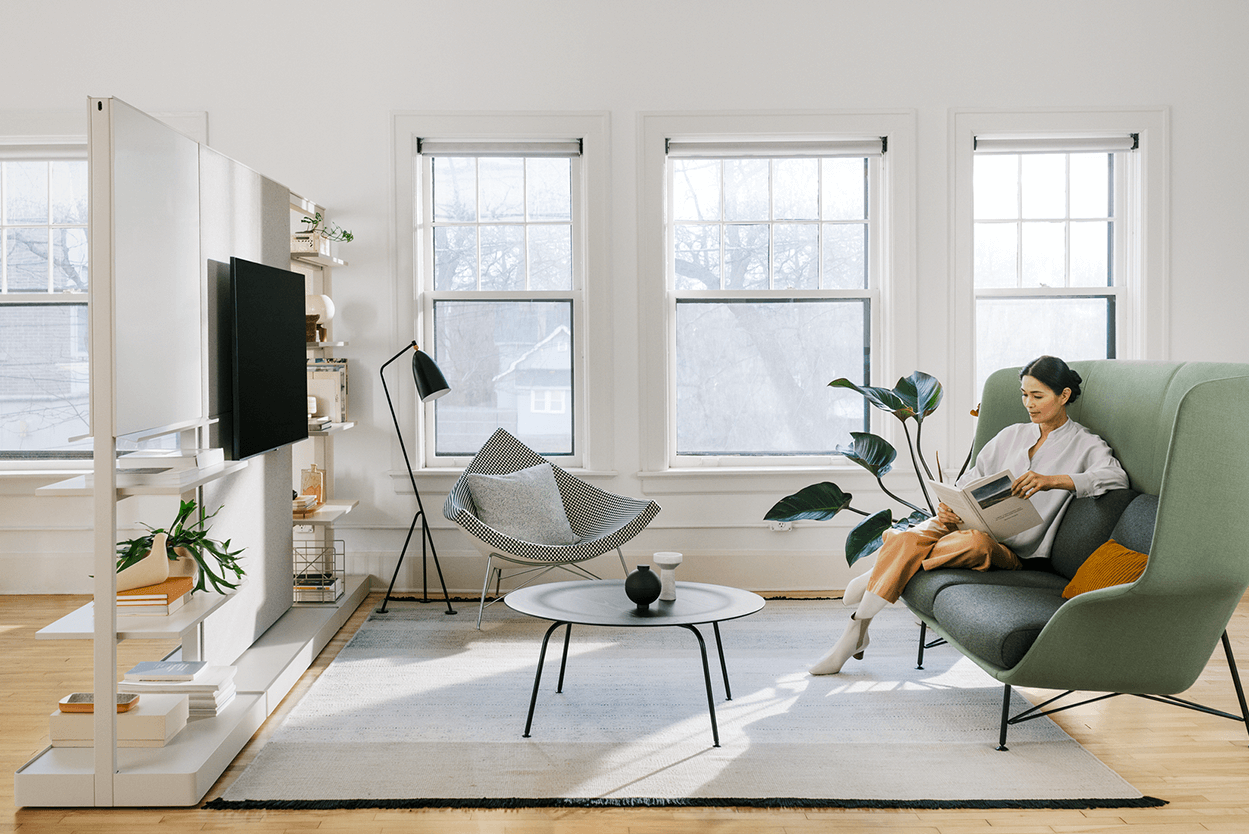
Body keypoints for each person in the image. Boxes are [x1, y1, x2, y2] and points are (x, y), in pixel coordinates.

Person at [810, 355, 1129, 675]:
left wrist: (1053, 481)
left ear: (1064, 396)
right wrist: (953, 501)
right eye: (1024, 394)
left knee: (970, 544)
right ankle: (860, 627)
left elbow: (1117, 478)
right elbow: (972, 477)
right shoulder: (1012, 435)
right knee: (928, 532)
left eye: (1037, 396)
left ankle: (862, 615)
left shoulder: (1085, 444)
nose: (1028, 404)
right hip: (961, 523)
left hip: (1009, 549)